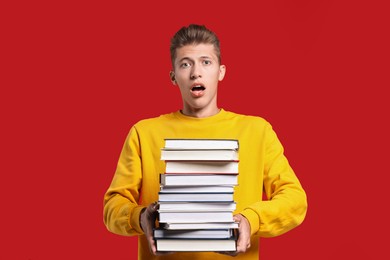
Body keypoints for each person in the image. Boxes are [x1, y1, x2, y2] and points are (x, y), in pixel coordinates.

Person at [103, 24, 307, 259]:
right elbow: (112, 207)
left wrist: (251, 220)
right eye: (185, 64)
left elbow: (295, 199)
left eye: (205, 62)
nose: (195, 73)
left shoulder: (257, 131)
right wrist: (141, 217)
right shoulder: (144, 133)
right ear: (173, 76)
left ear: (221, 72)